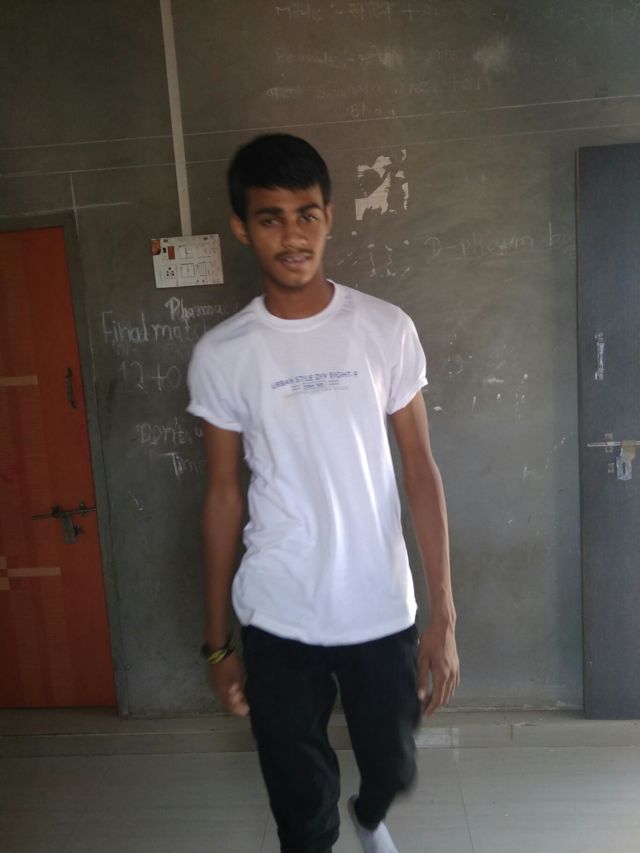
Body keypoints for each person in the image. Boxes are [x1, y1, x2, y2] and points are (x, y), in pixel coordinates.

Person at [187, 134, 459, 853]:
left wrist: (444, 613)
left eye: (306, 214)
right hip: (278, 610)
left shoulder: (384, 328)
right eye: (270, 218)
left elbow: (420, 468)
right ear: (242, 227)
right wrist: (217, 646)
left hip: (380, 605)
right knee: (300, 806)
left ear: (330, 217)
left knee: (393, 766)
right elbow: (223, 496)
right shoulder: (223, 354)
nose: (292, 235)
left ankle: (369, 815)